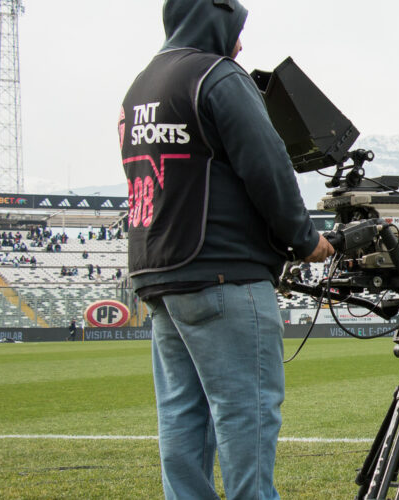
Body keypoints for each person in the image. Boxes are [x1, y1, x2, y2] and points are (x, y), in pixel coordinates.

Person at [119, 1, 335, 498]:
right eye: (237, 30)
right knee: (247, 411)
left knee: (181, 414)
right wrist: (305, 241)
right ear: (215, 21)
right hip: (223, 274)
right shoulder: (217, 75)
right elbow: (269, 165)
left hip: (161, 273)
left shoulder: (142, 86)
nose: (241, 44)